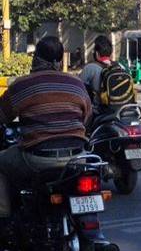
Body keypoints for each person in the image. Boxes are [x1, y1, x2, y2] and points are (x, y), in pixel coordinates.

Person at [0, 36, 92, 219]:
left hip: (39, 158)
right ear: (60, 61)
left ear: (35, 58)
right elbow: (87, 118)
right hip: (77, 157)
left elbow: (2, 115)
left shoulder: (22, 85)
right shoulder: (76, 84)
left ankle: (3, 216)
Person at [79, 35, 113, 114]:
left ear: (97, 53)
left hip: (99, 111)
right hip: (119, 110)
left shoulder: (90, 68)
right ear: (111, 53)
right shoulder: (120, 67)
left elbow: (79, 89)